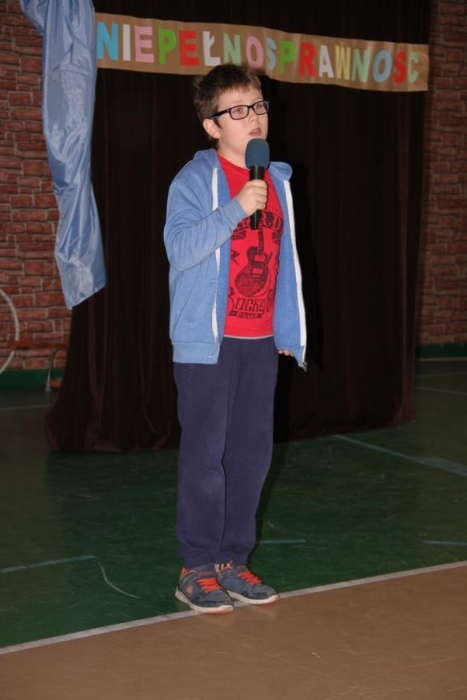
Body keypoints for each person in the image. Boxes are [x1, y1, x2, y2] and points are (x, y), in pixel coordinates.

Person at [163, 63, 307, 614]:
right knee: (205, 459)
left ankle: (231, 560)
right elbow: (180, 250)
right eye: (239, 110)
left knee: (251, 457)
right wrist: (235, 208)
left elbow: (283, 265)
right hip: (209, 344)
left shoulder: (277, 182)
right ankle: (195, 567)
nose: (255, 117)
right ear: (212, 125)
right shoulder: (194, 181)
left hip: (260, 342)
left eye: (259, 105)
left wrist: (287, 330)